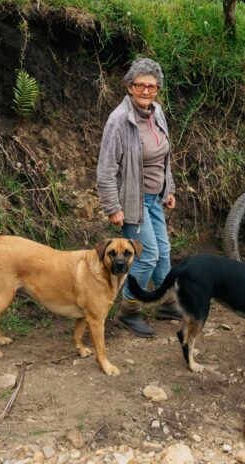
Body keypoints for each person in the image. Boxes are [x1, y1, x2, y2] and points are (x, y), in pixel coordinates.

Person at [97, 58, 182, 337]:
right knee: (147, 257)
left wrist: (168, 189)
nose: (146, 91)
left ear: (158, 89)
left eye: (152, 86)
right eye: (140, 85)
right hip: (133, 202)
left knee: (164, 253)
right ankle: (129, 310)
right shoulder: (120, 120)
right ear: (129, 86)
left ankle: (167, 303)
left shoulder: (157, 113)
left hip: (155, 199)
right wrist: (112, 206)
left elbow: (163, 159)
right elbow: (106, 168)